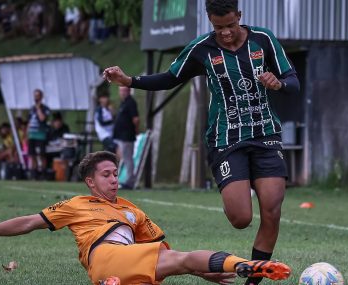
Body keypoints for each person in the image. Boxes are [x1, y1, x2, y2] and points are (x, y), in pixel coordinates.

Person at [103, 1, 300, 284]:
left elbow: (293, 82)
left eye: (231, 25)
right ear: (210, 21)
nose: (226, 33)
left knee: (272, 209)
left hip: (265, 135)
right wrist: (130, 80)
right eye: (218, 27)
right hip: (226, 138)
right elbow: (170, 78)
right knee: (240, 218)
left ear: (240, 17)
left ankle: (254, 280)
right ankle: (235, 189)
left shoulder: (263, 39)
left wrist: (278, 83)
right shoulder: (202, 48)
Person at [0, 151, 291, 285]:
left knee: (172, 262)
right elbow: (28, 222)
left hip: (126, 265)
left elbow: (169, 256)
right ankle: (247, 265)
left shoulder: (132, 210)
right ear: (90, 182)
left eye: (115, 174)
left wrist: (203, 273)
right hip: (104, 256)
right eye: (106, 175)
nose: (114, 180)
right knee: (184, 259)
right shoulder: (77, 204)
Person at [113, 86, 139, 189]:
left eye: (124, 90)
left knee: (128, 159)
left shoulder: (131, 102)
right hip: (121, 137)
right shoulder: (123, 103)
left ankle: (130, 181)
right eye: (120, 91)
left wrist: (135, 130)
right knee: (124, 158)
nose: (122, 93)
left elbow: (136, 119)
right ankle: (125, 179)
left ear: (128, 91)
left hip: (127, 136)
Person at [27, 89, 51, 179]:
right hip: (32, 135)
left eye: (37, 96)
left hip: (40, 135)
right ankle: (33, 173)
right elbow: (29, 122)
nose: (36, 97)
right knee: (32, 154)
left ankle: (43, 173)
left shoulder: (44, 108)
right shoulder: (31, 109)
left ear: (41, 97)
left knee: (41, 155)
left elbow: (42, 119)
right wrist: (27, 133)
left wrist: (38, 108)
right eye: (35, 95)